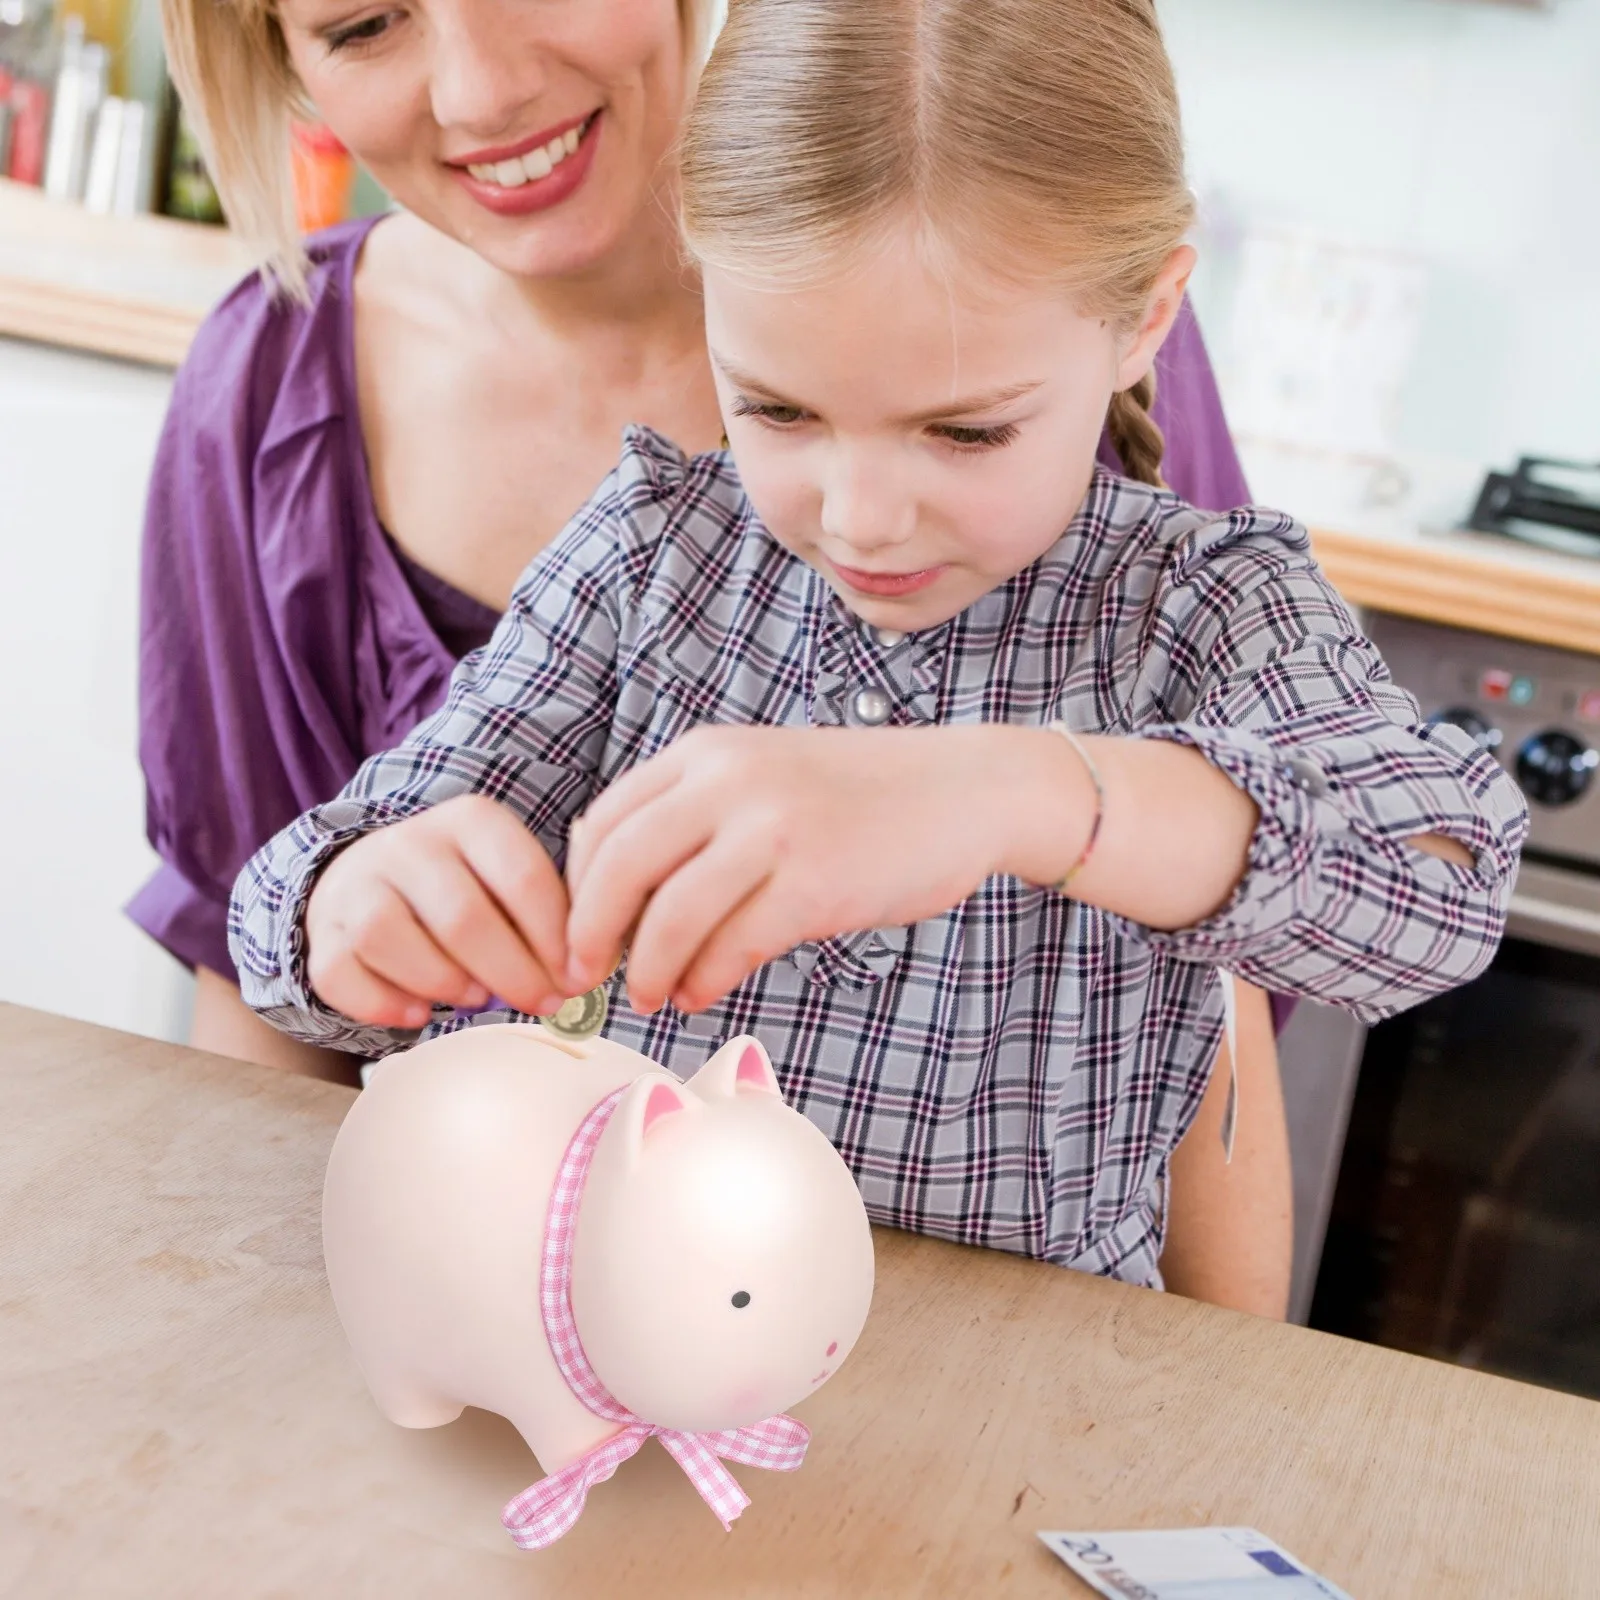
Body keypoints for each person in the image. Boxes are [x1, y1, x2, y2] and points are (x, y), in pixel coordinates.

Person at [225, 0, 1527, 1293]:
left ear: (1144, 316)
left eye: (963, 432)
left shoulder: (1204, 607)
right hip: (604, 1352)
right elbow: (292, 907)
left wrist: (1020, 794)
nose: (858, 518)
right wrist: (357, 898)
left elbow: (1441, 889)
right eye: (778, 409)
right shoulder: (645, 555)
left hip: (1007, 1411)